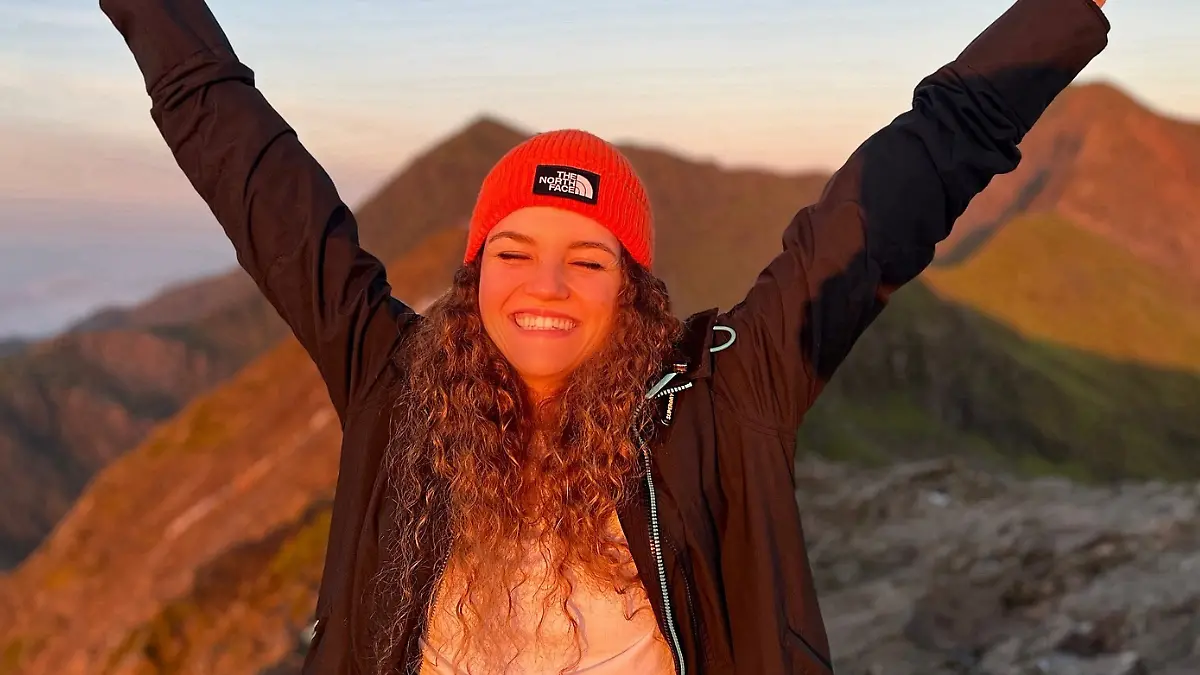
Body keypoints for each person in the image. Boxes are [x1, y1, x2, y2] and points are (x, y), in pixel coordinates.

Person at [100, 0, 1110, 672]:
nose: (545, 285)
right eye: (513, 251)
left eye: (588, 260)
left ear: (633, 292)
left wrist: (1064, 10)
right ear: (474, 274)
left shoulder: (721, 400)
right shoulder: (393, 382)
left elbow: (901, 187)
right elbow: (250, 169)